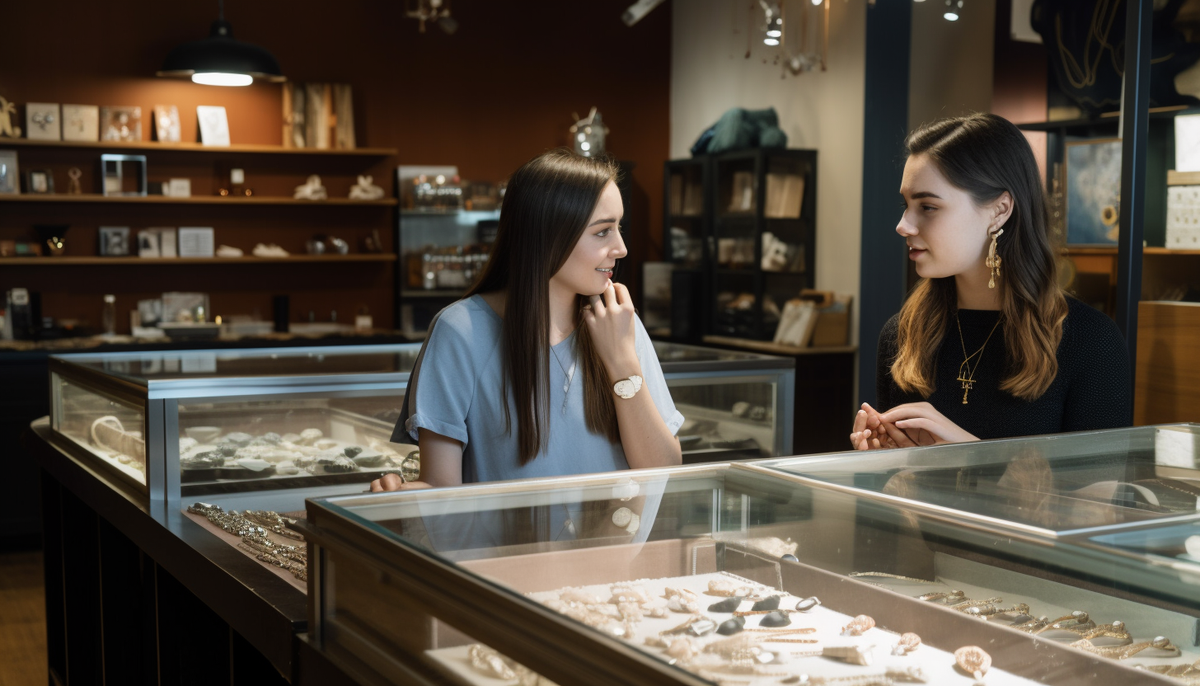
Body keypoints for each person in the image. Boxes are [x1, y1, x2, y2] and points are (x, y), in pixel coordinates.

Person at [372, 149, 684, 491]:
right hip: (507, 548)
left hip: (616, 546)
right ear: (548, 236)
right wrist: (396, 496)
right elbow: (441, 490)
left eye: (618, 227)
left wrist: (621, 360)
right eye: (602, 232)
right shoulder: (460, 332)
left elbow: (663, 470)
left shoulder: (619, 322)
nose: (621, 247)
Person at [850, 113, 1131, 451]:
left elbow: (1096, 502)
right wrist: (883, 467)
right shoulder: (901, 336)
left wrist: (969, 453)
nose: (903, 225)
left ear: (999, 210)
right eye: (906, 205)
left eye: (927, 206)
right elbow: (903, 496)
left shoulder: (1090, 342)